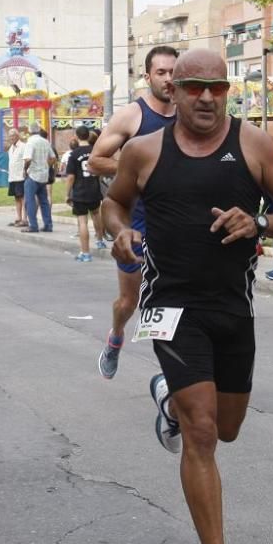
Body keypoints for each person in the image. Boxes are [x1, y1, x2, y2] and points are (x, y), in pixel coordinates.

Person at [102, 48, 273, 544]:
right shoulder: (144, 151)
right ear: (174, 92)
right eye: (192, 87)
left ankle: (170, 401)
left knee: (228, 427)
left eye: (215, 88)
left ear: (227, 91)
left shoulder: (254, 146)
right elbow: (114, 205)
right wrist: (118, 233)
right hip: (167, 304)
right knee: (201, 434)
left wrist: (260, 221)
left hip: (232, 308)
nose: (204, 98)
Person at [89, 45, 178, 380]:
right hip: (136, 223)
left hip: (176, 226)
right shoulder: (132, 116)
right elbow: (96, 161)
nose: (169, 79)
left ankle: (176, 376)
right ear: (147, 76)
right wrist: (136, 170)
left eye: (174, 72)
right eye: (162, 72)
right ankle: (115, 338)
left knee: (173, 301)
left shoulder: (190, 114)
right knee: (129, 302)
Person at [66, 125, 104, 261]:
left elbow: (70, 177)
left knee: (82, 221)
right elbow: (100, 170)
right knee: (96, 215)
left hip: (80, 192)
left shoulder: (74, 154)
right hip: (94, 189)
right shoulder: (95, 151)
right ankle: (100, 240)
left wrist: (67, 194)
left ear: (76, 136)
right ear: (88, 136)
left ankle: (85, 253)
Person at [22, 122, 56, 233]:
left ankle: (33, 225)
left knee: (30, 200)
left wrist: (25, 170)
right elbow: (53, 158)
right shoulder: (45, 141)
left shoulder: (30, 142)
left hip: (33, 175)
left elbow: (28, 159)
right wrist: (46, 166)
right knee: (44, 201)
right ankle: (48, 224)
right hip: (44, 175)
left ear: (29, 131)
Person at [6, 129, 27, 227]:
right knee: (16, 197)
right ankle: (18, 218)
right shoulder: (11, 148)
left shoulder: (23, 146)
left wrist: (25, 171)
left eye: (13, 136)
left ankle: (25, 219)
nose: (11, 138)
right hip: (12, 177)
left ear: (17, 136)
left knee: (23, 197)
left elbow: (26, 160)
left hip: (20, 177)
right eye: (10, 136)